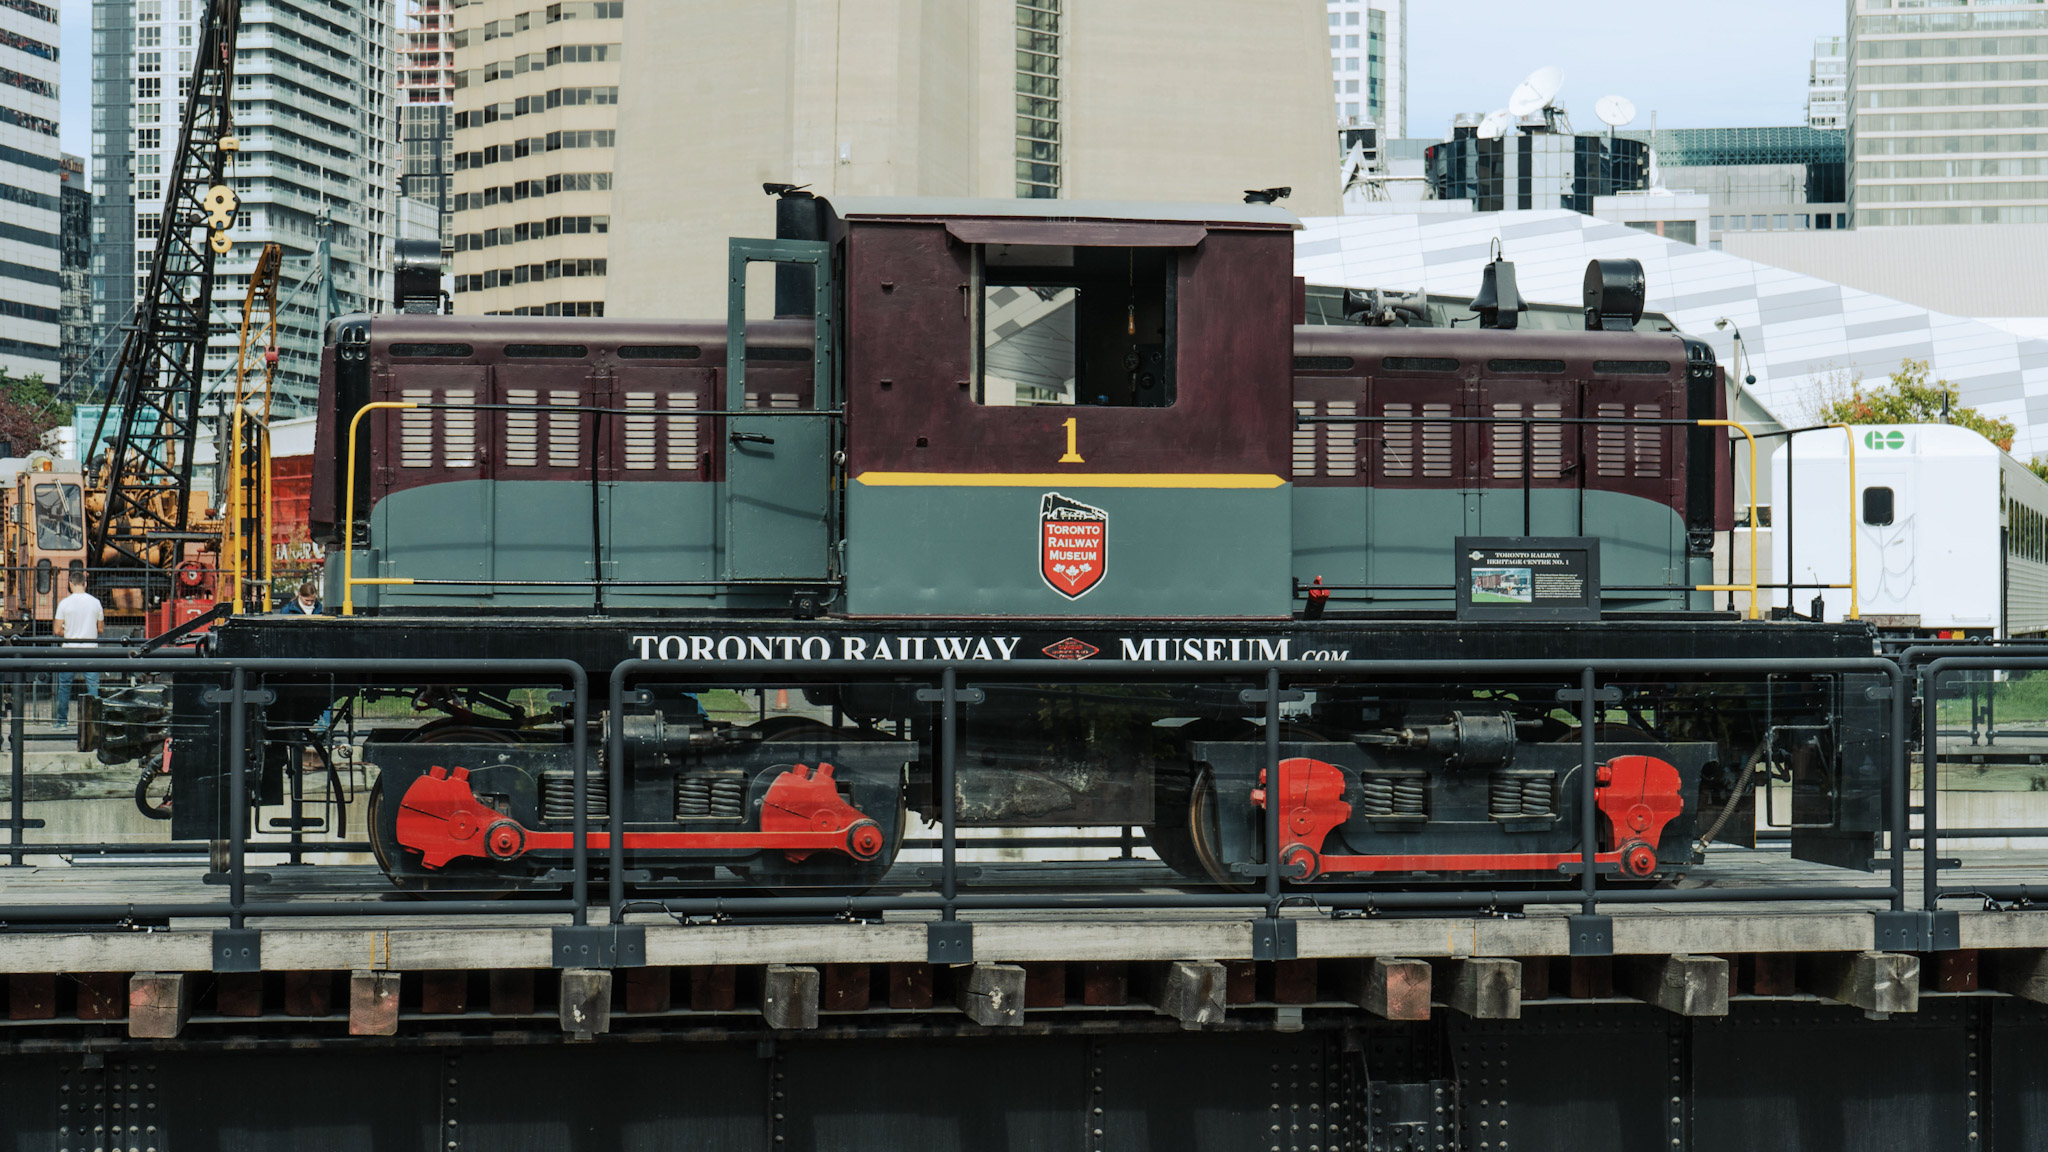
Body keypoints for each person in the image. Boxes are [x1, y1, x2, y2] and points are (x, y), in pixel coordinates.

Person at [53, 569, 103, 727]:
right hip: (90, 649)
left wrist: (67, 631)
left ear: (70, 584)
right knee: (93, 686)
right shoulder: (95, 602)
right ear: (85, 584)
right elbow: (100, 629)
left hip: (69, 649)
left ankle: (62, 722)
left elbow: (56, 630)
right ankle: (93, 722)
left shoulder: (64, 603)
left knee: (65, 686)